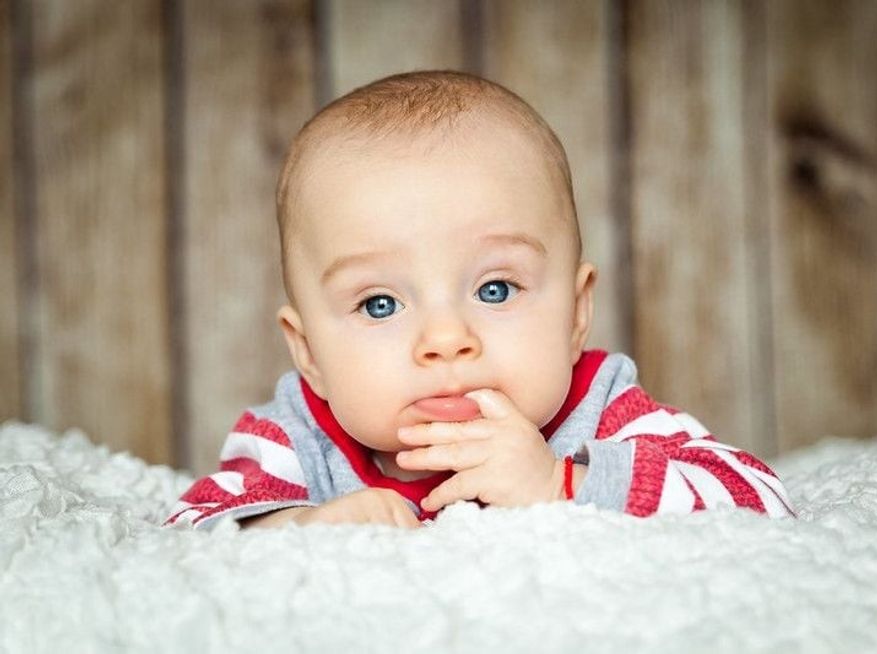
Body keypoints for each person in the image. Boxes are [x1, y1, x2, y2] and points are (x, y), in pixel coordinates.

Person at [166, 71, 793, 531]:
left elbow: (760, 497)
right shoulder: (299, 435)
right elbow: (194, 529)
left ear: (576, 316)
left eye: (495, 289)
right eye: (380, 304)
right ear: (310, 355)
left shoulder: (599, 411)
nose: (445, 338)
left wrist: (561, 482)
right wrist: (301, 531)